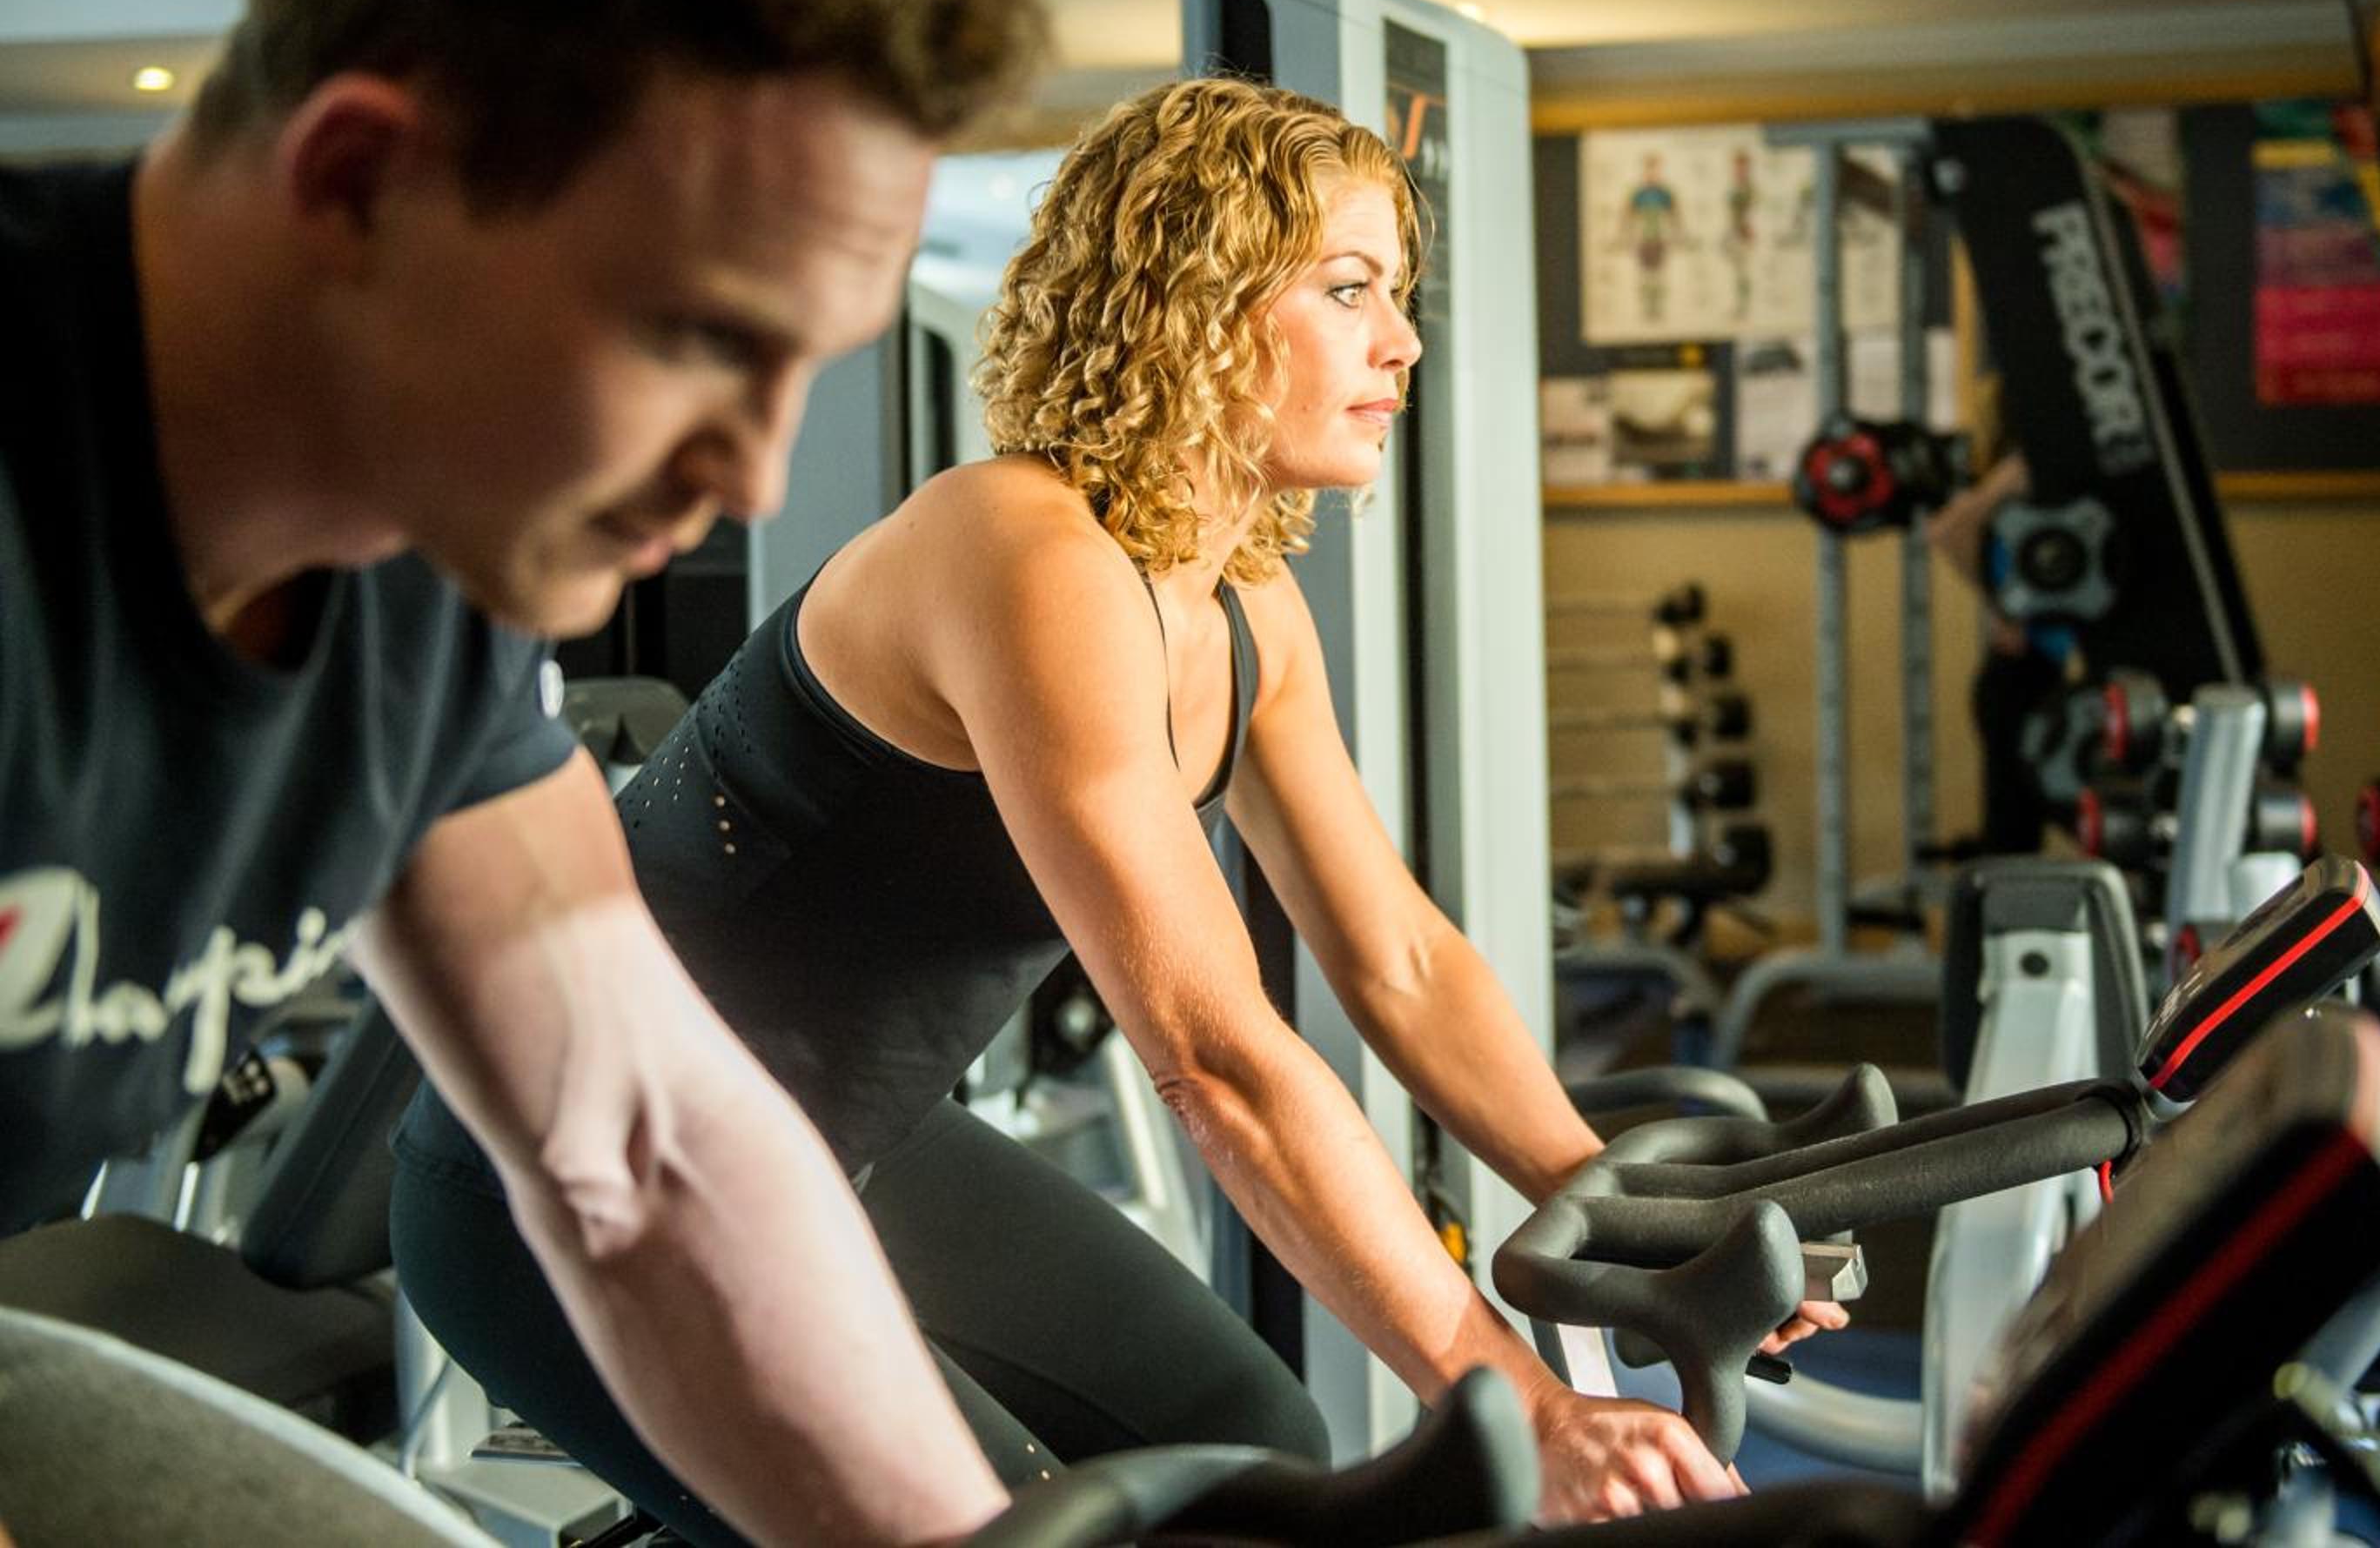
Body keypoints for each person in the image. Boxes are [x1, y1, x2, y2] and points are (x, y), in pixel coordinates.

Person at [391, 77, 1847, 1540]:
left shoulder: (1248, 610)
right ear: (1190, 303)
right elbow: (1214, 1062)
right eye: (1349, 290)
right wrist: (1524, 1407)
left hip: (848, 1150)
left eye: (1396, 296)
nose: (1401, 340)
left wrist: (1626, 1216)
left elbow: (1400, 957)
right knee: (1024, 1530)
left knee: (1246, 1445)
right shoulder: (1019, 551)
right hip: (572, 1178)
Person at [0, 0, 1045, 1542]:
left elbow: (640, 1146)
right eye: (698, 336)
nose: (757, 477)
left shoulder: (421, 556)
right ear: (358, 182)